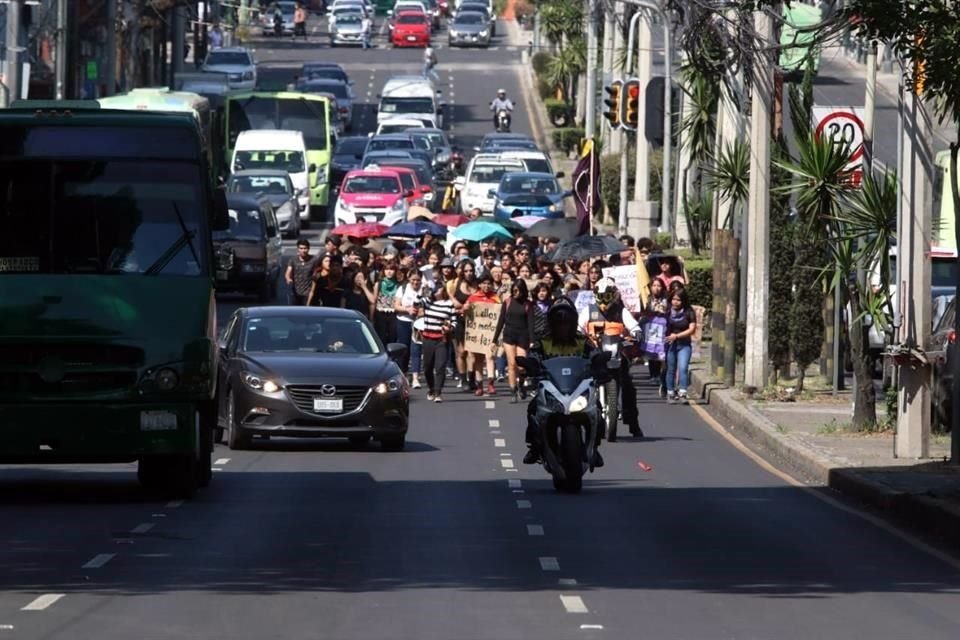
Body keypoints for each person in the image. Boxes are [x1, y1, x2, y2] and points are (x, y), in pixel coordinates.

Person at [522, 298, 603, 466]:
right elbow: (533, 356)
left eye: (566, 322)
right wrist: (530, 364)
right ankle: (534, 448)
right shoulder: (542, 342)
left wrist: (600, 364)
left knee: (598, 409)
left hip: (577, 390)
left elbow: (595, 354)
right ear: (552, 323)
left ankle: (594, 447)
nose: (563, 326)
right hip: (552, 390)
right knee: (532, 408)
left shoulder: (583, 341)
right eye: (559, 322)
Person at [579, 278, 643, 437]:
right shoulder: (588, 311)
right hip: (594, 354)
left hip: (616, 355)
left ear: (613, 296)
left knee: (628, 387)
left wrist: (636, 333)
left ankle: (633, 423)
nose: (604, 301)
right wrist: (580, 336)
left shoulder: (621, 311)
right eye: (601, 297)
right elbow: (579, 327)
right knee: (579, 382)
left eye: (607, 296)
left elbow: (634, 325)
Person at [492, 279, 535, 403]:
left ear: (523, 291)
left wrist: (532, 340)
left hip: (523, 336)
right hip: (509, 336)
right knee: (511, 364)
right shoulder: (508, 302)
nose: (516, 292)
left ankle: (521, 383)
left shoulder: (528, 304)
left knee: (521, 366)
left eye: (518, 290)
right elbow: (501, 321)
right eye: (514, 290)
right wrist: (494, 340)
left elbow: (530, 324)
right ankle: (513, 390)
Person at [463, 274, 501, 396]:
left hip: (490, 333)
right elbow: (465, 313)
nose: (486, 286)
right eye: (484, 283)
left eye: (489, 283)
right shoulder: (473, 298)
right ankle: (479, 385)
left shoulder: (496, 298)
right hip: (477, 334)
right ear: (479, 285)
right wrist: (465, 308)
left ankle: (490, 383)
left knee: (490, 356)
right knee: (478, 359)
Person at [420, 285, 457, 403]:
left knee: (440, 366)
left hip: (442, 339)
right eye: (435, 289)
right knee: (427, 367)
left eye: (439, 289)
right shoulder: (427, 302)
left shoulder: (449, 303)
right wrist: (424, 292)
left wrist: (449, 327)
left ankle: (438, 392)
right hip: (428, 338)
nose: (436, 291)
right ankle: (431, 388)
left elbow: (454, 320)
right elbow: (416, 303)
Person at [664, 288, 697, 404]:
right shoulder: (666, 311)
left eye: (678, 300)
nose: (675, 302)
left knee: (683, 368)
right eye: (673, 299)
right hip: (670, 345)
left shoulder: (689, 311)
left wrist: (677, 336)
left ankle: (683, 393)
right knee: (670, 369)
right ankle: (670, 393)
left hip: (684, 345)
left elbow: (692, 329)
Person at [285, 239, 319, 305]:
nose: (303, 251)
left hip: (308, 293)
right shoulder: (293, 260)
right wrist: (288, 279)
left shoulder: (314, 260)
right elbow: (288, 272)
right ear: (298, 249)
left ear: (308, 249)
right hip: (295, 293)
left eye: (305, 248)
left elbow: (316, 272)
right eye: (301, 248)